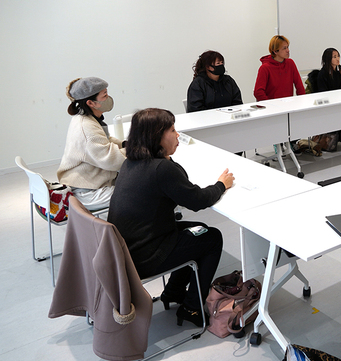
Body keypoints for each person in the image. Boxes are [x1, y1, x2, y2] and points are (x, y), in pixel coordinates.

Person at [108, 108, 234, 327]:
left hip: (127, 250)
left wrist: (166, 157)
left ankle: (173, 292)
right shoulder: (161, 169)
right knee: (212, 238)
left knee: (198, 229)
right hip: (145, 256)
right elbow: (197, 201)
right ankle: (192, 308)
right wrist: (221, 185)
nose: (178, 135)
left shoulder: (131, 162)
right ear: (156, 136)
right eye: (173, 130)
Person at [57, 77, 126, 211]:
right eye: (104, 95)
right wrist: (139, 148)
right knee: (141, 193)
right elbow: (111, 160)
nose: (108, 98)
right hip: (87, 192)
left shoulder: (85, 118)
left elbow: (104, 140)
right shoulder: (86, 127)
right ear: (91, 103)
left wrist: (124, 144)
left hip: (90, 182)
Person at [317, 47, 341, 145]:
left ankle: (340, 134)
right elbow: (322, 92)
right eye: (334, 57)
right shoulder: (323, 74)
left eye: (338, 56)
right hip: (329, 102)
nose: (338, 59)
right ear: (328, 59)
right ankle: (334, 135)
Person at [253, 35, 305, 101]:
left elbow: (299, 86)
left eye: (287, 47)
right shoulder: (265, 68)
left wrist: (302, 101)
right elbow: (258, 92)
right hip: (272, 107)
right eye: (284, 48)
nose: (288, 50)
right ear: (275, 51)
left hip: (288, 105)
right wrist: (269, 105)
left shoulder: (290, 63)